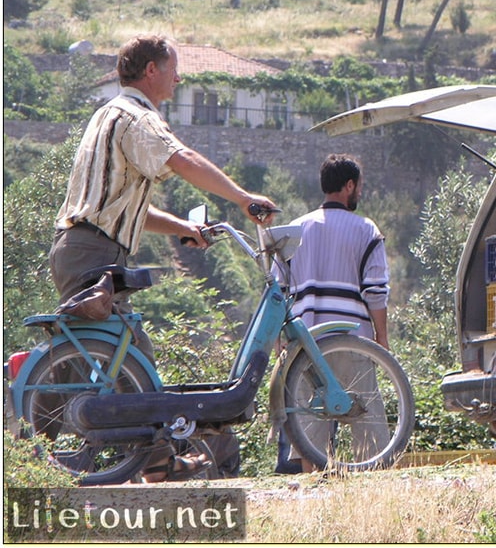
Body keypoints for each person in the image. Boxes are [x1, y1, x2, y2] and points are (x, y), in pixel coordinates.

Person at [50, 33, 278, 480]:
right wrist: (242, 197)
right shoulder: (136, 117)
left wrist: (183, 228)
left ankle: (154, 461)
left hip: (84, 248)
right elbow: (182, 158)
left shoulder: (108, 113)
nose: (180, 77)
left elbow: (124, 207)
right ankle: (132, 460)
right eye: (174, 68)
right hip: (93, 252)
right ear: (151, 71)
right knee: (126, 365)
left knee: (132, 360)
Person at [276, 153, 390, 470]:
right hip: (352, 339)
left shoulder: (294, 230)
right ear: (349, 185)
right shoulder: (366, 229)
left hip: (305, 342)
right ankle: (369, 489)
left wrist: (278, 342)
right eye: (359, 186)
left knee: (310, 426)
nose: (360, 193)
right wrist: (382, 339)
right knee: (367, 422)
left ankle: (312, 490)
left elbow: (277, 291)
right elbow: (376, 291)